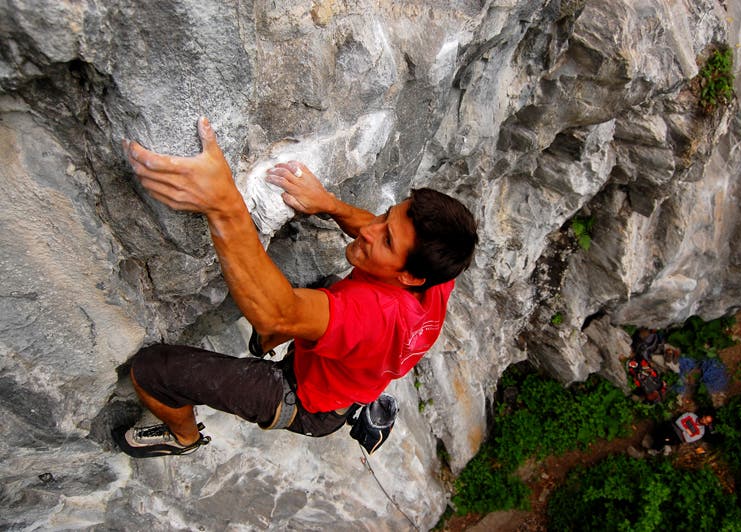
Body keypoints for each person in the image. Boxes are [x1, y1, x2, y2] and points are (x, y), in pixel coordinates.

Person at [114, 117, 478, 458]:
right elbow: (375, 229)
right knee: (321, 290)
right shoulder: (438, 270)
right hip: (347, 370)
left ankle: (183, 437)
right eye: (386, 216)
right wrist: (330, 206)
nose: (370, 229)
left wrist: (224, 204)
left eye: (386, 241)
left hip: (304, 401)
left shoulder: (372, 315)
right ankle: (270, 342)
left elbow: (278, 313)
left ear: (410, 277)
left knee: (152, 369)